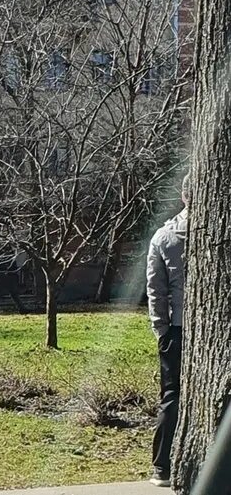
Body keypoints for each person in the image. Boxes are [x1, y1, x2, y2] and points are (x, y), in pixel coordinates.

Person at [145, 174, 190, 488]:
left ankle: (162, 467)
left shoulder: (164, 236)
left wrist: (160, 329)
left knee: (171, 396)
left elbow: (155, 290)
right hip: (213, 330)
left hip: (176, 328)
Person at [0, 247, 28, 316]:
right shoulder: (5, 256)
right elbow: (10, 266)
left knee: (7, 294)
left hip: (4, 276)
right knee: (6, 294)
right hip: (6, 276)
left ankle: (21, 308)